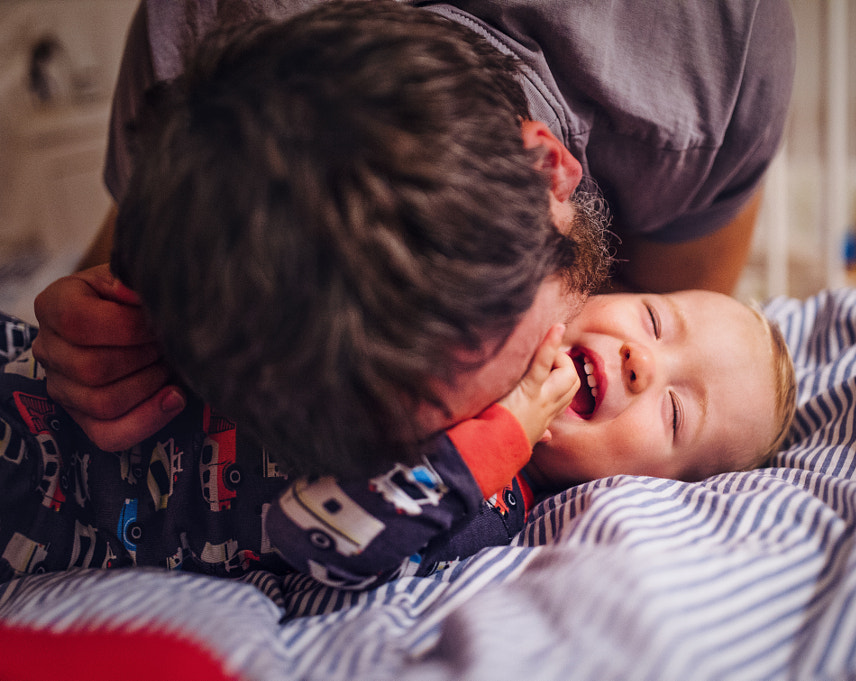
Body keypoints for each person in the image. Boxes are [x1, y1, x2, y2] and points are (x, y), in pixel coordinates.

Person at [31, 0, 796, 466]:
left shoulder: (717, 68)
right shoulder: (187, 72)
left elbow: (689, 336)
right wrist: (104, 335)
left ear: (548, 167)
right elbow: (122, 284)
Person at [0, 289, 795, 585]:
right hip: (48, 368)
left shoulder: (484, 506)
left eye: (674, 413)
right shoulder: (482, 283)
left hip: (58, 497)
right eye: (655, 320)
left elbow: (319, 532)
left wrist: (503, 434)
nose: (641, 359)